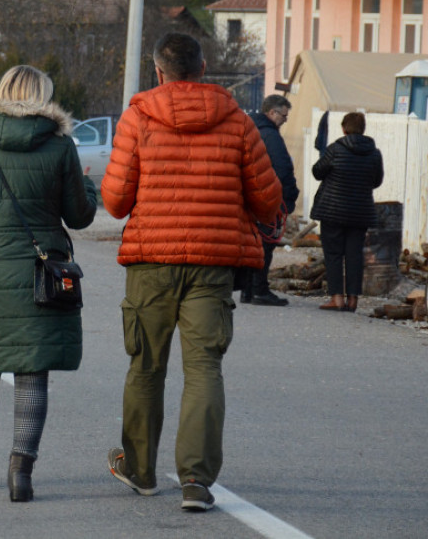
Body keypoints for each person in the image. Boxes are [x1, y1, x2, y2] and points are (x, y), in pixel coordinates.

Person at [101, 33, 281, 513]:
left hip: (151, 261)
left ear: (159, 72)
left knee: (145, 365)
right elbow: (267, 199)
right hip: (213, 263)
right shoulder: (239, 122)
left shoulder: (137, 117)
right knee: (204, 368)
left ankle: (139, 471)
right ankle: (196, 483)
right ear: (204, 67)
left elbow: (116, 202)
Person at [0, 64, 96, 502]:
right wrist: (87, 186)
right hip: (39, 270)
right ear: (44, 96)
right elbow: (79, 216)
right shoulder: (61, 146)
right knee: (32, 372)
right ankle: (20, 472)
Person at [310, 112, 384, 312]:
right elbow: (377, 181)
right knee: (354, 255)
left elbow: (317, 172)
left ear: (344, 128)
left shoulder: (335, 149)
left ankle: (337, 298)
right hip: (360, 212)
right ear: (363, 129)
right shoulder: (374, 153)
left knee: (334, 254)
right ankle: (353, 300)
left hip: (333, 210)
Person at [243, 95, 300, 306]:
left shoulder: (250, 130)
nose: (285, 120)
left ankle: (248, 290)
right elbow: (283, 167)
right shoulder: (271, 136)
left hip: (252, 195)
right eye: (284, 115)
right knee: (265, 245)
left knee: (253, 243)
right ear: (272, 113)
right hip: (269, 196)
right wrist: (291, 194)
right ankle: (260, 290)